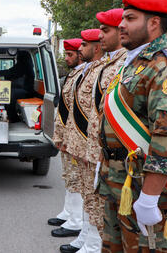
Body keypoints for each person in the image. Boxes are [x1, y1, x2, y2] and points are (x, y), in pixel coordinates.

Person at [97, 0, 167, 252]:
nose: (121, 25)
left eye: (130, 18)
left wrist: (149, 198)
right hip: (121, 184)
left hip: (148, 192)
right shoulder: (135, 64)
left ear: (153, 23)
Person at [56, 29, 104, 248]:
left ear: (96, 47)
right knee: (77, 183)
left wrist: (86, 146)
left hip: (87, 144)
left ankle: (85, 233)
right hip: (76, 140)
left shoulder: (98, 70)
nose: (73, 54)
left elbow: (92, 113)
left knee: (90, 193)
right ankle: (78, 225)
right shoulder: (83, 72)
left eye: (80, 47)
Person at [49, 38, 84, 235]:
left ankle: (77, 220)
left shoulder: (84, 74)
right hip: (69, 135)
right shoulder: (74, 75)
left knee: (78, 179)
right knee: (70, 177)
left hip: (77, 137)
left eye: (70, 55)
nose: (67, 58)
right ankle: (69, 212)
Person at [0, 51, 35, 122]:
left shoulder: (24, 65)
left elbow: (12, 72)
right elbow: (13, 72)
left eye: (18, 56)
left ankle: (13, 117)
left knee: (10, 94)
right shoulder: (26, 65)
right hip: (25, 89)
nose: (17, 58)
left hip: (26, 91)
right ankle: (7, 113)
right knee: (8, 91)